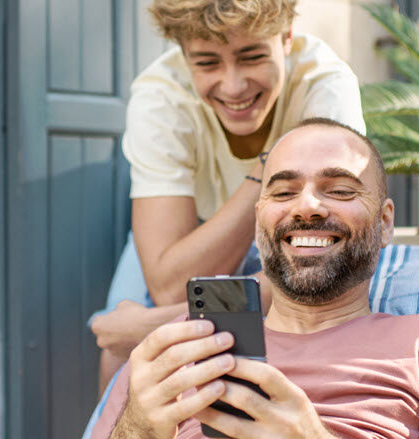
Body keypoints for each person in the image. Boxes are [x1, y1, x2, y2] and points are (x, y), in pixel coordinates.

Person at [66, 118, 419, 439]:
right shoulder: (179, 348)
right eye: (283, 191)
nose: (306, 206)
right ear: (258, 222)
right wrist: (138, 436)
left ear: (386, 222)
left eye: (341, 190)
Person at [92, 0, 366, 389]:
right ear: (184, 56)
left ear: (287, 38)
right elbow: (170, 285)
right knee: (120, 352)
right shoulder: (161, 97)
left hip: (296, 232)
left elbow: (323, 261)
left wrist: (153, 326)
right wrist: (271, 164)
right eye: (206, 63)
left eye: (251, 56)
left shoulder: (325, 87)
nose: (233, 86)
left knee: (132, 333)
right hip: (193, 230)